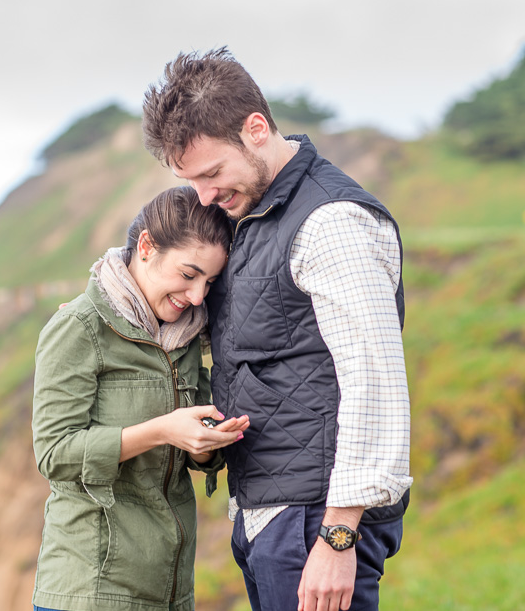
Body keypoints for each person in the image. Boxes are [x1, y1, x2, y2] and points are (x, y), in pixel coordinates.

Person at [141, 48, 413, 611]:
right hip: (272, 514)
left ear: (256, 129)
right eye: (192, 182)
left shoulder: (331, 223)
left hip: (319, 522)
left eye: (213, 173)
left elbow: (375, 382)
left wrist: (339, 536)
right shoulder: (254, 217)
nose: (207, 196)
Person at [31, 185, 251, 611]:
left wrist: (206, 446)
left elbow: (190, 448)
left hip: (170, 591)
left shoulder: (186, 337)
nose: (197, 297)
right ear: (147, 246)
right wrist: (161, 431)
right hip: (89, 590)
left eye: (209, 282)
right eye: (188, 275)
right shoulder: (78, 327)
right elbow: (54, 454)